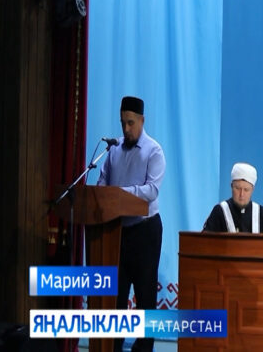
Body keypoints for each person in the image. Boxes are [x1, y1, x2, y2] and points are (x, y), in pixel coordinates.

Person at [97, 96, 165, 352]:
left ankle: (144, 348)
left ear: (142, 121)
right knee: (117, 294)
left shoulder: (153, 151)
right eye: (123, 123)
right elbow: (103, 181)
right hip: (117, 231)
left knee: (145, 295)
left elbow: (151, 190)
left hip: (145, 231)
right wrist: (105, 194)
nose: (126, 129)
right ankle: (113, 346)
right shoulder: (113, 150)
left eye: (130, 123)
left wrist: (119, 194)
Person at [202, 162, 263, 233]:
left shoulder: (262, 214)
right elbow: (205, 238)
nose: (241, 194)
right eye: (237, 188)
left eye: (246, 190)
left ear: (252, 189)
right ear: (231, 186)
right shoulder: (219, 211)